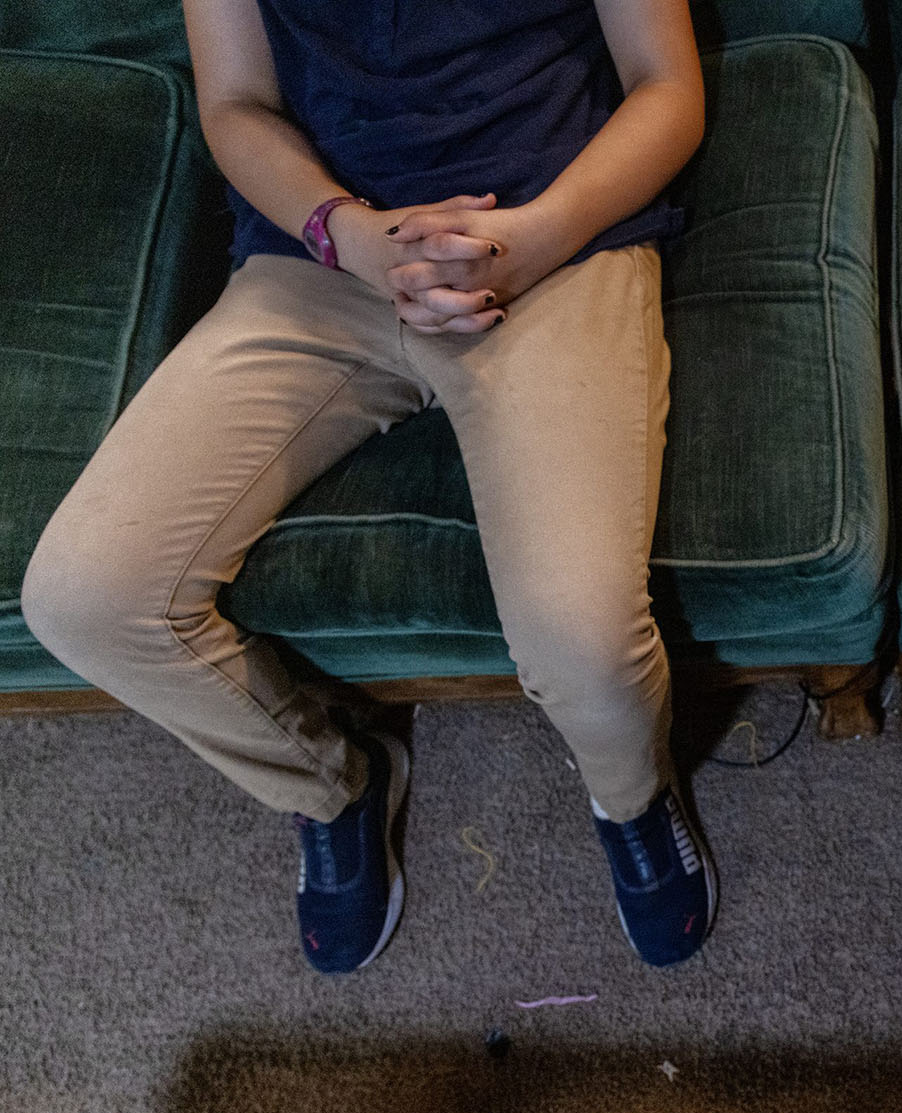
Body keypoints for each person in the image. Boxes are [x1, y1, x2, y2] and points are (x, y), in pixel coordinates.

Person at [20, 0, 716, 972]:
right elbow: (237, 103)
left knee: (581, 639)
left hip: (555, 243)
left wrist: (532, 238)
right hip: (325, 265)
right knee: (83, 596)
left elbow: (668, 87)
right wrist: (353, 236)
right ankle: (332, 782)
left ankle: (631, 799)